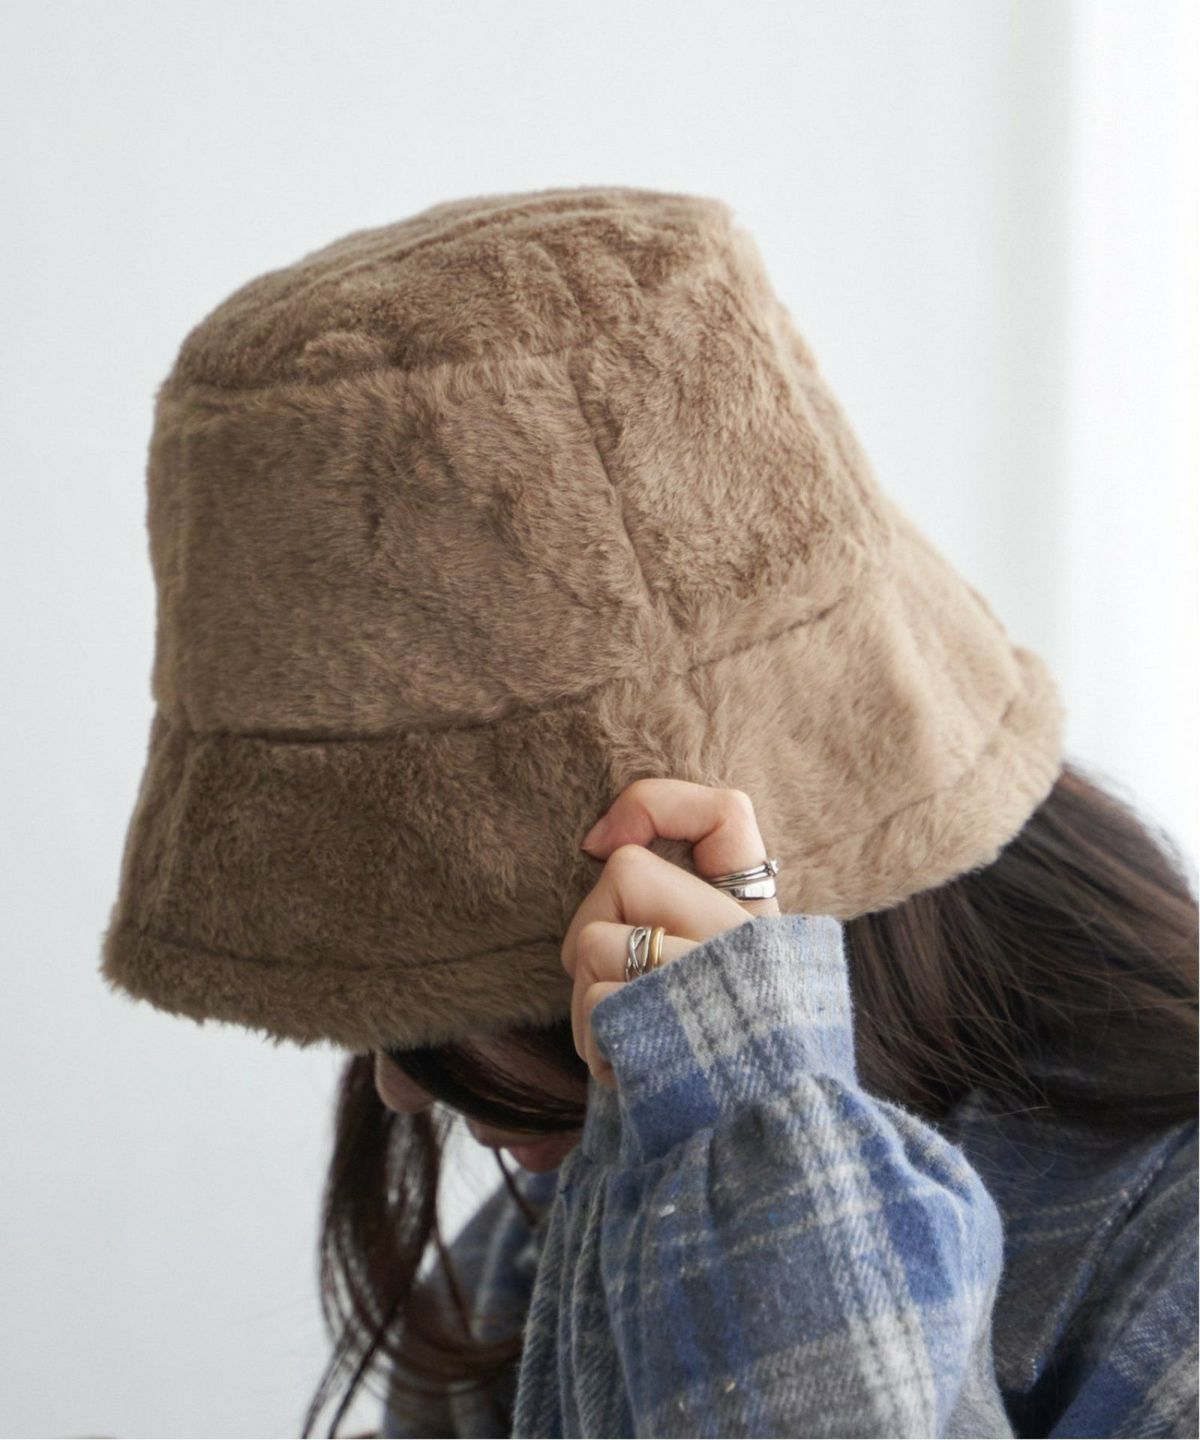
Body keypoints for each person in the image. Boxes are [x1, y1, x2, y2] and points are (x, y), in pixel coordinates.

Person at [98, 187, 1198, 1440]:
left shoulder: (1170, 1265)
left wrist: (766, 1154)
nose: (399, 1089)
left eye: (464, 985)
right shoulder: (540, 1254)